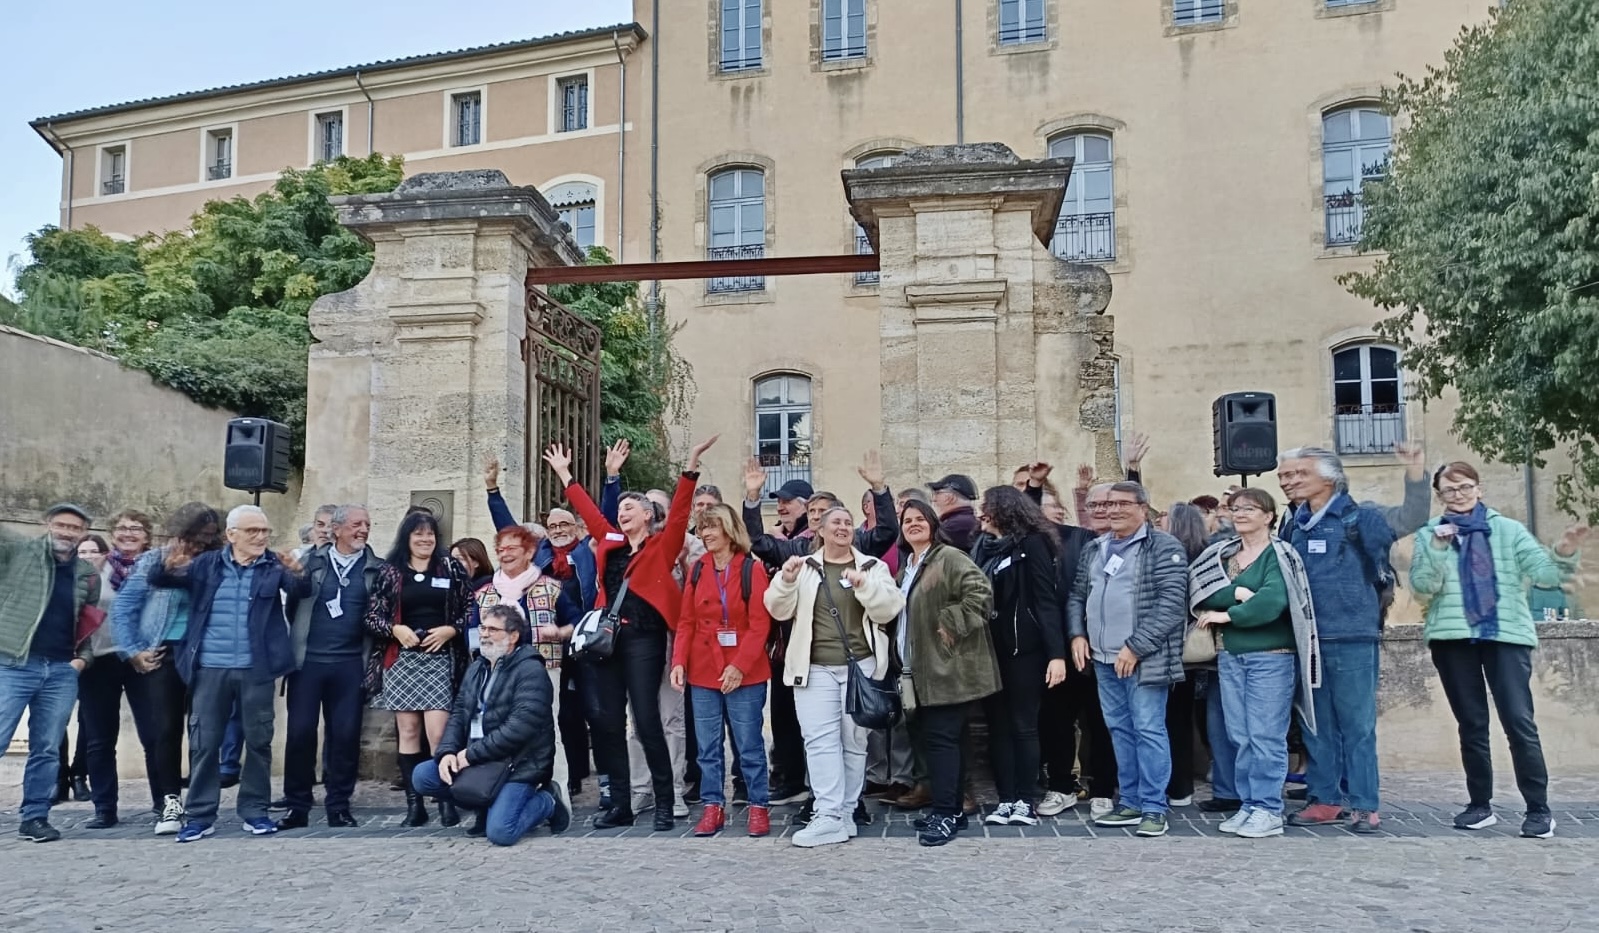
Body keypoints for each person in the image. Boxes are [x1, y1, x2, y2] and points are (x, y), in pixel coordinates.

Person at [543, 435, 717, 831]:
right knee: (607, 723)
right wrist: (566, 475)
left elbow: (680, 513)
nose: (622, 512)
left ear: (647, 515)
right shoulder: (610, 541)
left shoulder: (663, 545)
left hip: (645, 639)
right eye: (620, 508)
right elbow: (590, 512)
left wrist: (690, 464)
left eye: (629, 507)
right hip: (608, 641)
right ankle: (620, 803)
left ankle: (664, 801)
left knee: (646, 720)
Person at [1410, 461, 1585, 839]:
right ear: (1440, 496)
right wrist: (1438, 549)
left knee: (1519, 722)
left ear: (1479, 488)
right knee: (1472, 725)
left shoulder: (1509, 530)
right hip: (1453, 637)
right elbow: (1423, 588)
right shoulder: (1430, 534)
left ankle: (1538, 809)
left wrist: (1563, 552)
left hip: (1505, 635)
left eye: (1465, 486)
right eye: (1449, 490)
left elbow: (1546, 575)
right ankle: (1480, 805)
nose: (1458, 495)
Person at [149, 505, 303, 843]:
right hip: (209, 668)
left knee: (259, 741)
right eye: (252, 531)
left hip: (257, 669)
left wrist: (298, 573)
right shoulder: (206, 564)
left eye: (264, 530)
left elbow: (301, 591)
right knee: (204, 743)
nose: (260, 537)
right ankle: (200, 816)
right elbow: (159, 580)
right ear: (231, 535)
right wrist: (167, 564)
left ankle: (255, 811)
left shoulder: (274, 565)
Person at [764, 506, 905, 848]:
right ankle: (827, 814)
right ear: (821, 531)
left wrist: (864, 586)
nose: (843, 527)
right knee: (819, 741)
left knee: (854, 743)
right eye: (836, 523)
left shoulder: (872, 567)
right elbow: (777, 609)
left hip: (861, 667)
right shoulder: (804, 567)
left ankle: (845, 812)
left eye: (847, 523)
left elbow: (890, 608)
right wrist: (785, 581)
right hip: (813, 669)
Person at [1276, 446, 1397, 833]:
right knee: (1316, 724)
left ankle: (1364, 804)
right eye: (1284, 476)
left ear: (1329, 478)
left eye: (1299, 474)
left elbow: (1404, 527)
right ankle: (1324, 799)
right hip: (1307, 639)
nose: (1289, 481)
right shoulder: (1294, 524)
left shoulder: (1361, 517)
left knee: (1357, 726)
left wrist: (1415, 479)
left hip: (1352, 635)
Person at [1190, 488, 1321, 839]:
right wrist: (1236, 593)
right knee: (1240, 735)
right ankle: (1249, 805)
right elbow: (1204, 592)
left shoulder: (1280, 554)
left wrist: (1228, 615)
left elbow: (1272, 603)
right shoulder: (1223, 554)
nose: (1241, 513)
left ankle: (1268, 809)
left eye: (1250, 508)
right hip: (1230, 656)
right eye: (1235, 508)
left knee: (1265, 735)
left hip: (1271, 656)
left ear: (1268, 516)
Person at [1067, 482, 1189, 838]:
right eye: (1108, 504)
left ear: (1143, 508)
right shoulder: (1095, 547)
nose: (1113, 510)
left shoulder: (1164, 546)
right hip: (1103, 658)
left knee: (1148, 730)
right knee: (1119, 731)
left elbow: (1171, 604)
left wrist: (1136, 647)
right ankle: (1131, 801)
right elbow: (1077, 595)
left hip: (1143, 658)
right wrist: (1077, 633)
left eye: (1122, 503)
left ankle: (1154, 807)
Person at [410, 604, 570, 845]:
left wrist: (470, 755)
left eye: (493, 630)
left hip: (517, 764)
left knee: (501, 833)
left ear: (513, 636)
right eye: (483, 628)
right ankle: (485, 806)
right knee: (423, 776)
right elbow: (459, 714)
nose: (484, 634)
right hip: (480, 759)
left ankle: (547, 801)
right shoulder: (478, 667)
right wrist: (447, 752)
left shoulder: (531, 670)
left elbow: (519, 728)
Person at [112, 502, 224, 835]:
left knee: (205, 731)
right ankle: (169, 802)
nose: (199, 545)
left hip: (205, 653)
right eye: (195, 538)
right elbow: (123, 608)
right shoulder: (154, 560)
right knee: (166, 730)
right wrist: (133, 651)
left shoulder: (217, 562)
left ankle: (201, 802)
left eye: (207, 539)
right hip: (164, 652)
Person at [894, 499, 1000, 846]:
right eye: (907, 520)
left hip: (948, 668)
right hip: (920, 669)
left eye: (920, 518)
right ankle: (951, 810)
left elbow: (981, 592)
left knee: (942, 742)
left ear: (933, 524)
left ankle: (944, 813)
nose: (913, 524)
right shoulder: (909, 566)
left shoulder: (948, 557)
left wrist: (949, 625)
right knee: (942, 741)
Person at [364, 510, 473, 828]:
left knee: (438, 734)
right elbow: (372, 616)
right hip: (402, 660)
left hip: (440, 660)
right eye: (418, 534)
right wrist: (394, 629)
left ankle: (446, 800)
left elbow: (471, 607)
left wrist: (451, 629)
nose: (425, 539)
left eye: (430, 534)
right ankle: (415, 804)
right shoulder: (390, 571)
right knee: (409, 732)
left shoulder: (450, 567)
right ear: (407, 538)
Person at [275, 505, 381, 830]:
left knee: (345, 736)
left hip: (350, 664)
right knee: (300, 733)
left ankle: (339, 805)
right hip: (308, 663)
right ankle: (297, 805)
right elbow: (292, 601)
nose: (363, 529)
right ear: (336, 529)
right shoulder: (312, 561)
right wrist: (293, 574)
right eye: (356, 524)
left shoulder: (376, 568)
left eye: (367, 524)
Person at [670, 503, 773, 838]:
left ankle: (758, 805)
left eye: (713, 526)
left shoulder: (751, 569)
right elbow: (686, 621)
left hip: (746, 669)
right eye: (703, 527)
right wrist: (679, 661)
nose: (706, 533)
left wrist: (739, 666)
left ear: (729, 531)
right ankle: (712, 805)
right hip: (703, 669)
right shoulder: (698, 568)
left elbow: (760, 625)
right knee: (707, 747)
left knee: (748, 745)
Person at [0, 503, 99, 843]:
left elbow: (88, 623)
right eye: (61, 525)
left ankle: (35, 817)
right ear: (47, 524)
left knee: (46, 748)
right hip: (13, 663)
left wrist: (82, 660)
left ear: (83, 533)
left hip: (60, 670)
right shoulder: (19, 552)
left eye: (74, 527)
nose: (67, 532)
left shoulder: (87, 573)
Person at [970, 486, 1066, 827]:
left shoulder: (1033, 544)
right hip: (990, 651)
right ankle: (1005, 799)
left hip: (1024, 651)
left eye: (986, 507)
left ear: (1004, 510)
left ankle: (1025, 799)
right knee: (997, 727)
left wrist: (1056, 654)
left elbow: (1045, 600)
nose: (980, 514)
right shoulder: (983, 547)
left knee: (1023, 725)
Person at [1017, 464, 1100, 819]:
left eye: (1050, 507)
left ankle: (1103, 788)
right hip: (1050, 646)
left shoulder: (1082, 538)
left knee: (1097, 719)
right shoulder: (1028, 543)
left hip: (1087, 641)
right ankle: (1061, 786)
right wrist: (1034, 485)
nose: (1042, 514)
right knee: (1055, 720)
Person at [72, 510, 153, 829]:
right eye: (121, 528)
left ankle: (164, 804)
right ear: (112, 534)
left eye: (136, 528)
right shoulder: (95, 567)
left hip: (143, 660)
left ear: (147, 536)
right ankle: (104, 807)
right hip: (100, 659)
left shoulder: (156, 568)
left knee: (154, 736)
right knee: (99, 739)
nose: (128, 533)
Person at [1161, 502, 1211, 809]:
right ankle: (1181, 786)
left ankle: (1176, 784)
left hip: (1177, 647)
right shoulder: (1206, 553)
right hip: (1194, 651)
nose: (1159, 521)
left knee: (1172, 719)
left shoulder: (1174, 555)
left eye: (1163, 517)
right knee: (1183, 719)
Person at [929, 475, 981, 553]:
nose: (934, 499)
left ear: (950, 498)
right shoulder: (966, 520)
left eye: (937, 493)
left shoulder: (954, 525)